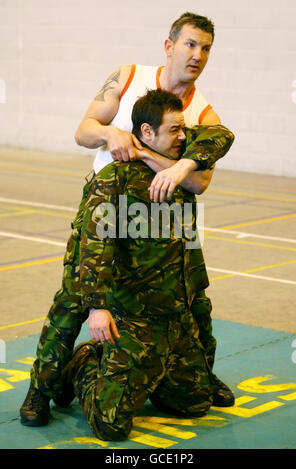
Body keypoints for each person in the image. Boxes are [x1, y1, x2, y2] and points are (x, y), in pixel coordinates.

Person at [20, 12, 234, 427]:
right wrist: (110, 134)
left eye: (205, 48)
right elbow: (83, 131)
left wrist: (169, 163)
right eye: (190, 44)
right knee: (74, 301)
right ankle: (43, 386)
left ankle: (194, 374)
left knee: (194, 300)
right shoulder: (128, 75)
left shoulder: (200, 112)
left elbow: (202, 179)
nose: (197, 55)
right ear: (169, 45)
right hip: (108, 206)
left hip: (162, 220)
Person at [53, 89, 234, 441]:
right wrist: (97, 307)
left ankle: (147, 378)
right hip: (134, 318)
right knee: (111, 426)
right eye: (175, 130)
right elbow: (95, 246)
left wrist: (183, 165)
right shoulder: (117, 179)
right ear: (147, 132)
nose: (183, 136)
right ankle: (85, 364)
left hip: (174, 316)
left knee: (195, 403)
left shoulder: (181, 160)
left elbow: (223, 135)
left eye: (184, 129)